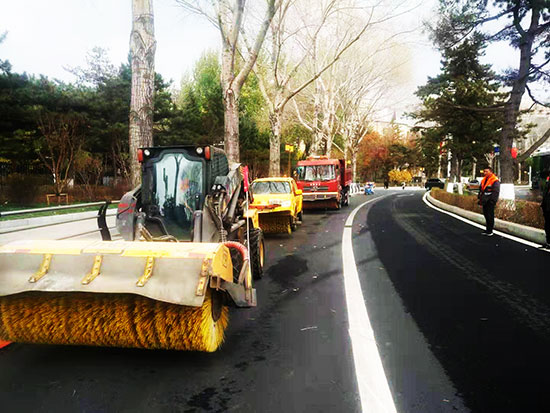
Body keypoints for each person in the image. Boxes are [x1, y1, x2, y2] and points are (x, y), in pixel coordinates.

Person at [478, 167, 500, 236]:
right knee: (486, 215)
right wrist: (479, 198)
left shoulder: (494, 180)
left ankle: (490, 230)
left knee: (490, 216)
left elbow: (496, 192)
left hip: (490, 201)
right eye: (484, 171)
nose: (485, 173)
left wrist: (493, 201)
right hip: (484, 200)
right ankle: (487, 229)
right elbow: (481, 190)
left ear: (491, 172)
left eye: (486, 171)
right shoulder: (483, 180)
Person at [541, 172, 550, 249]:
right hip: (547, 206)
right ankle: (548, 242)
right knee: (547, 225)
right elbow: (546, 193)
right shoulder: (548, 179)